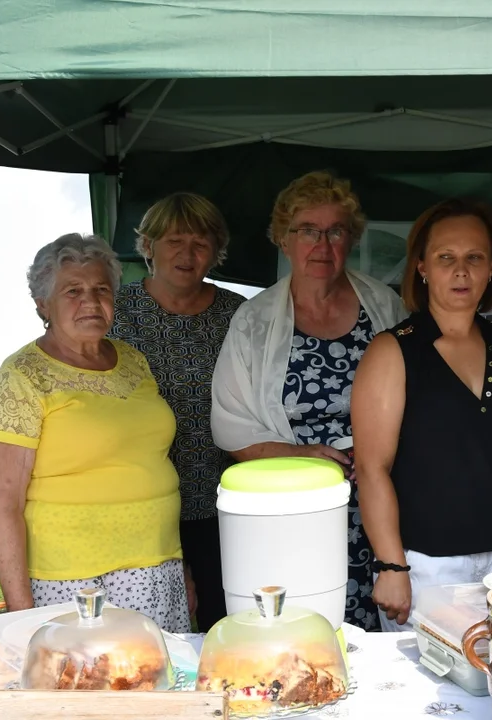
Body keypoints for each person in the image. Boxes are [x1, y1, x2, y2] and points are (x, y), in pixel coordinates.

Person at [211, 171, 406, 630]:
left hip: (382, 494)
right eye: (307, 231)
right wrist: (301, 456)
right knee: (305, 625)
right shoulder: (253, 321)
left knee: (384, 630)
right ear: (283, 239)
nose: (323, 244)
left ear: (351, 239)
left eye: (336, 231)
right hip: (298, 505)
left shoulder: (385, 305)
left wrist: (379, 454)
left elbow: (419, 399)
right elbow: (233, 427)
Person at [351, 198, 492, 631]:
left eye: (474, 258)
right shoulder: (393, 350)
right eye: (446, 258)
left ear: (491, 267)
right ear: (422, 266)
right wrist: (392, 565)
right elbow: (372, 468)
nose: (461, 271)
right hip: (427, 566)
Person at [0, 234, 189, 632]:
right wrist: (21, 618)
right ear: (42, 304)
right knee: (88, 687)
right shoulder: (23, 375)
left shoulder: (133, 360)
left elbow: (149, 464)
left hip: (157, 565)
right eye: (73, 291)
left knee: (158, 682)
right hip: (72, 582)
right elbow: (3, 503)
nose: (90, 300)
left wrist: (181, 569)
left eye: (102, 289)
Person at [110, 192, 244, 631]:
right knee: (152, 627)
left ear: (216, 251)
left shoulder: (237, 315)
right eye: (174, 241)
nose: (187, 254)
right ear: (148, 246)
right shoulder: (116, 311)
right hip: (140, 500)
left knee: (225, 616)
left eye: (200, 243)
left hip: (223, 496)